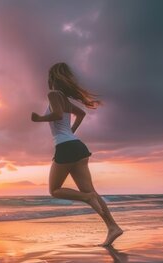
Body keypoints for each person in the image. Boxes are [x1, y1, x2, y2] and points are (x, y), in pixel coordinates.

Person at [31, 62, 123, 246]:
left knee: (55, 190)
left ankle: (87, 198)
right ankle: (113, 227)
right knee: (92, 191)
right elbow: (81, 114)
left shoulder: (53, 95)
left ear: (52, 79)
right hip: (77, 147)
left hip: (66, 147)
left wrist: (40, 118)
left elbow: (57, 115)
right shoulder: (64, 98)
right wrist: (71, 133)